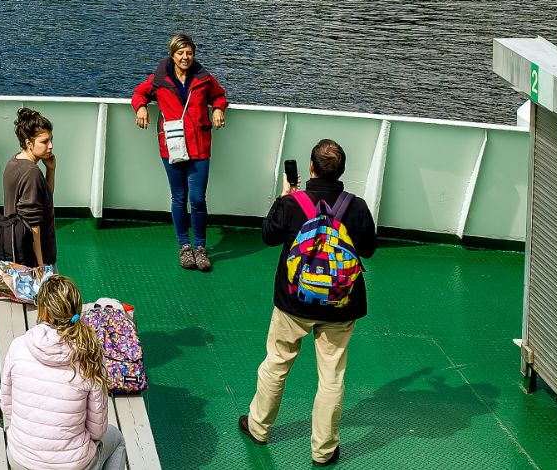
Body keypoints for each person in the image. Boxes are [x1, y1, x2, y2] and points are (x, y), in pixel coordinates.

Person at [238, 138, 379, 467]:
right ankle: (324, 450)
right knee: (332, 376)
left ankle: (258, 427)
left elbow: (268, 237)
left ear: (311, 168)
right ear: (342, 171)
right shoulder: (355, 206)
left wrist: (284, 197)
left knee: (276, 363)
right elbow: (369, 249)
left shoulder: (292, 204)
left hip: (293, 304)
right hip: (341, 305)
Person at [1, 273, 126, 470]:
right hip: (72, 465)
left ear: (43, 311)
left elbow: (7, 408)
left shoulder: (18, 346)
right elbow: (97, 431)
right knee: (116, 439)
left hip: (21, 460)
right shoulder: (89, 357)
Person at [130, 33, 229, 271]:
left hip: (200, 147)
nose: (185, 57)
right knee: (178, 197)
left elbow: (219, 95)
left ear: (193, 54)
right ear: (172, 55)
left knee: (197, 199)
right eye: (180, 53)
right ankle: (184, 247)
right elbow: (139, 93)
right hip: (172, 146)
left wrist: (218, 109)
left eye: (189, 53)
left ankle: (201, 248)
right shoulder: (159, 79)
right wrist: (141, 107)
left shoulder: (204, 78)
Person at [4, 107, 57, 267]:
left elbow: (45, 196)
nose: (51, 146)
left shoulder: (13, 162)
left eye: (51, 140)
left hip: (15, 250)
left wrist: (51, 170)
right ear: (29, 143)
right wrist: (41, 267)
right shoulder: (32, 173)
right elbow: (33, 226)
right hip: (33, 260)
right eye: (44, 141)